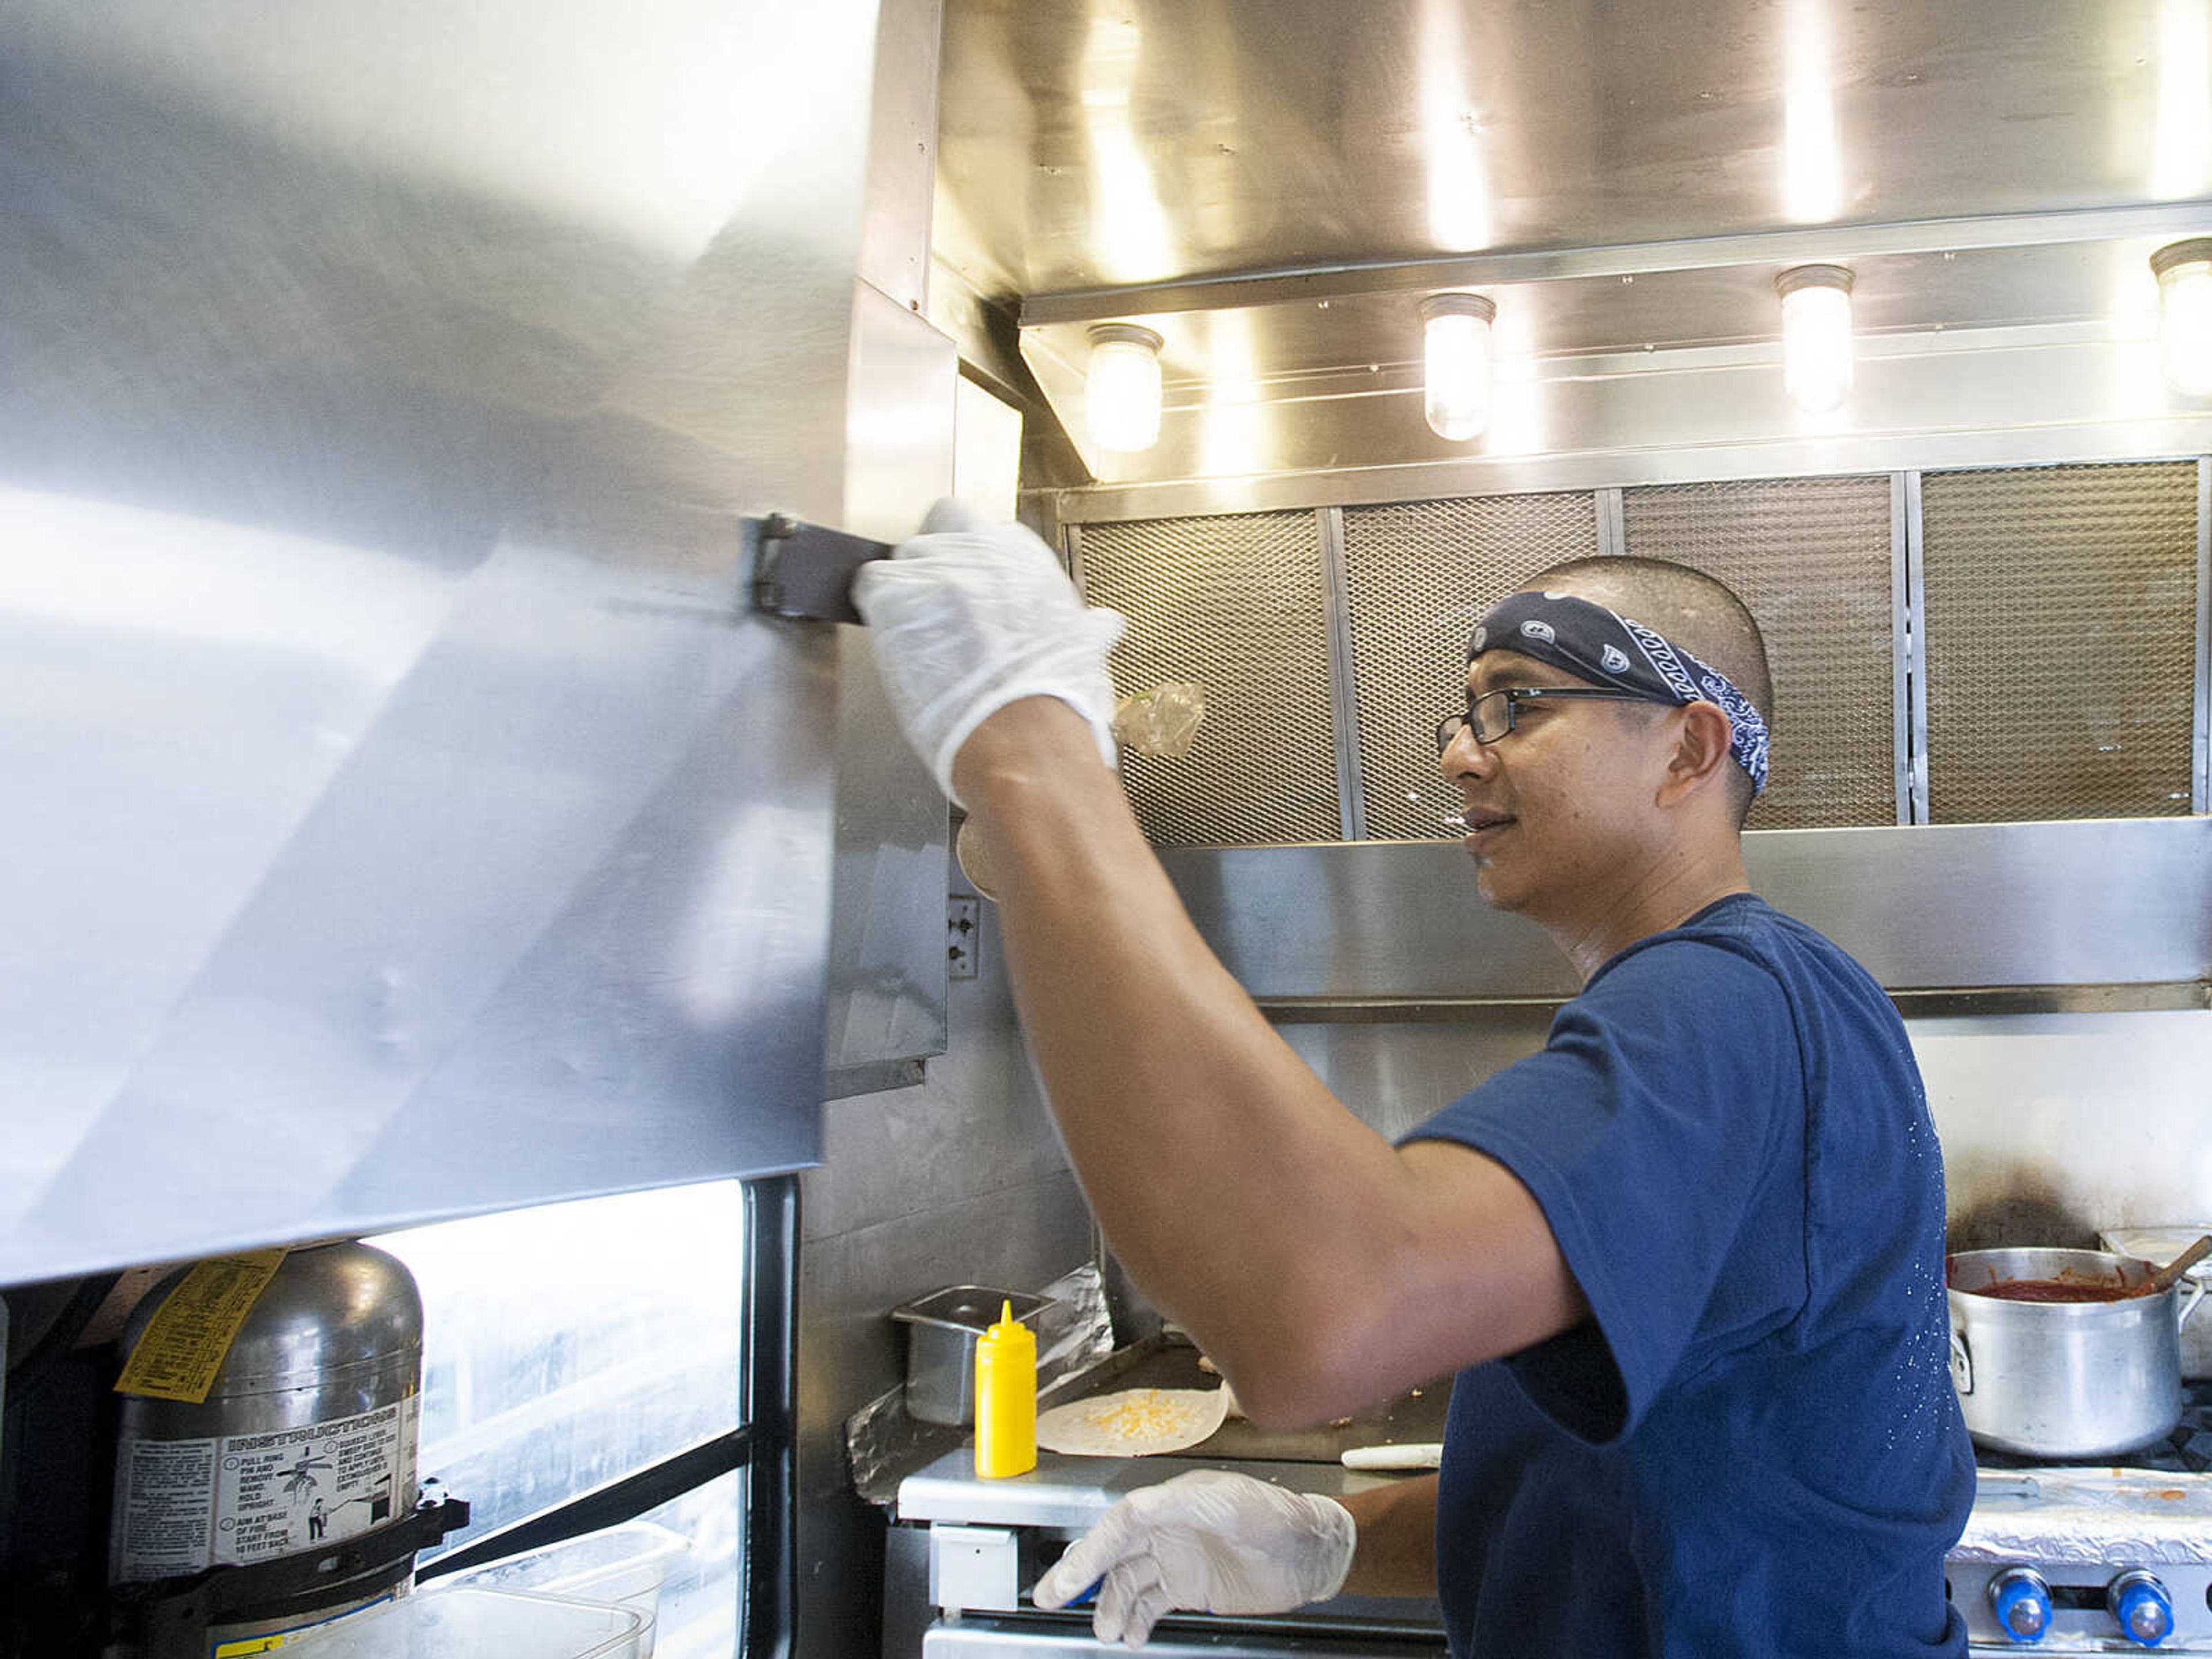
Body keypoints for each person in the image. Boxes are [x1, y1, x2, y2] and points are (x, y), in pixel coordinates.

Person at [854, 502, 1975, 1657]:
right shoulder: (1761, 1004)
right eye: (1465, 712)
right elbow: (1641, 1496)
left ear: (1688, 748)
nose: (1456, 754)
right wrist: (1332, 1539)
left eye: (1518, 706)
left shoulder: (1727, 1006)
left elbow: (1323, 1310)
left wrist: (1029, 744)